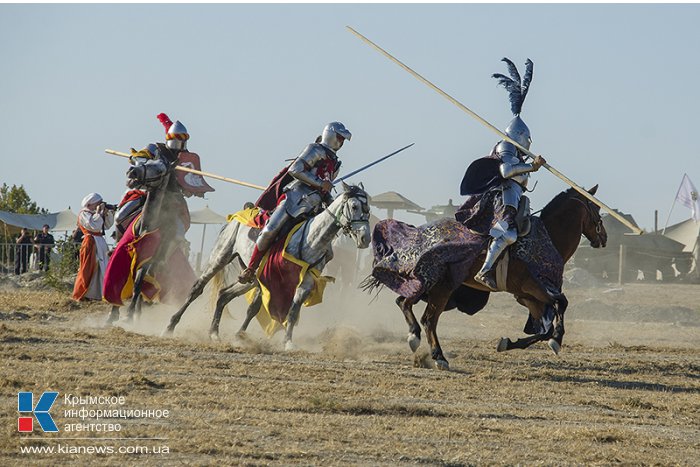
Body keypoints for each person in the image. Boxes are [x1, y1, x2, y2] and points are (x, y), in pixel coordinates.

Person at [456, 58, 546, 291]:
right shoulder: (505, 146)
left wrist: (529, 166)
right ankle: (484, 271)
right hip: (501, 200)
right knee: (509, 235)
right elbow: (505, 171)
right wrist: (532, 167)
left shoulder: (517, 152)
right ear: (520, 136)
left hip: (514, 200)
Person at [237, 121, 351, 284]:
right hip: (294, 199)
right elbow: (295, 170)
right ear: (331, 135)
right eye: (340, 138)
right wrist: (320, 183)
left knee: (328, 250)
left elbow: (325, 188)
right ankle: (251, 268)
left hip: (315, 206)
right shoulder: (315, 149)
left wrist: (332, 202)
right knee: (270, 230)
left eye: (343, 140)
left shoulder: (336, 163)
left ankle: (309, 276)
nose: (341, 143)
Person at [72, 193, 115, 301]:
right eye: (98, 203)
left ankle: (99, 293)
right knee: (89, 267)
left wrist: (108, 213)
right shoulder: (84, 213)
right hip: (91, 242)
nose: (100, 204)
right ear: (92, 203)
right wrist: (99, 212)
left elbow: (106, 226)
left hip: (99, 242)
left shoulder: (95, 214)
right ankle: (83, 293)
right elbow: (94, 226)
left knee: (102, 267)